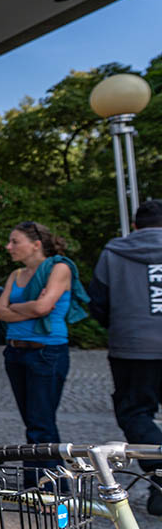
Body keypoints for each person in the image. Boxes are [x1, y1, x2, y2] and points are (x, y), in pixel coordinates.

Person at [0, 221, 89, 481]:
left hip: (46, 352)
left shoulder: (59, 268)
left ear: (36, 244)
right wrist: (30, 306)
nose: (9, 246)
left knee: (41, 423)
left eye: (15, 241)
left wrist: (18, 308)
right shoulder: (15, 274)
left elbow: (42, 308)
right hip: (15, 352)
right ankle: (47, 485)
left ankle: (45, 487)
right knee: (34, 423)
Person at [90, 199, 162, 515]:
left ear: (134, 226)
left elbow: (98, 301)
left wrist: (119, 325)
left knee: (135, 412)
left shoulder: (114, 252)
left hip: (132, 347)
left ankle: (160, 473)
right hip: (133, 345)